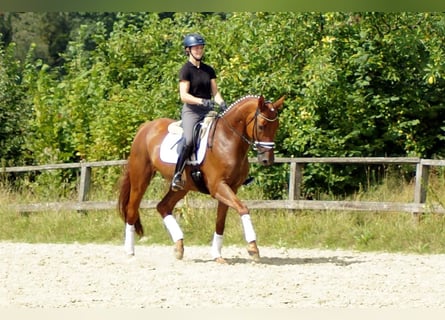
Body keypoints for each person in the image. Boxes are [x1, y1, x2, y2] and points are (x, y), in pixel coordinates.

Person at [171, 33, 227, 191]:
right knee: (188, 140)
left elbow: (215, 93)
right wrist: (201, 101)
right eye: (196, 48)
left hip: (208, 111)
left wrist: (222, 103)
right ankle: (178, 174)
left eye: (201, 48)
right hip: (192, 111)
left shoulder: (208, 70)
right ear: (188, 50)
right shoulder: (185, 70)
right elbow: (184, 96)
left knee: (227, 133)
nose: (199, 50)